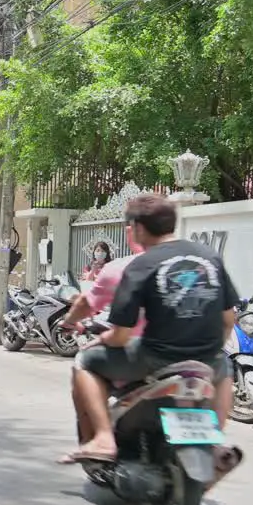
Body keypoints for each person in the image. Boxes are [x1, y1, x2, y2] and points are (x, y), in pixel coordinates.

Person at [66, 193, 237, 464]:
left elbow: (121, 336)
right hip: (207, 360)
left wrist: (100, 341)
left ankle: (103, 438)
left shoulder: (141, 264)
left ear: (139, 229)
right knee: (225, 366)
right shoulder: (210, 257)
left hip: (155, 359)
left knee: (84, 362)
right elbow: (229, 320)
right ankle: (213, 441)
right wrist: (210, 350)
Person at [58, 225, 146, 450]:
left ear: (131, 231)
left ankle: (97, 439)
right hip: (193, 354)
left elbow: (119, 331)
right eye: (97, 250)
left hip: (143, 354)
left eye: (101, 250)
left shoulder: (124, 268)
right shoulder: (196, 263)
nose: (99, 253)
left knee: (84, 362)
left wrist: (72, 323)